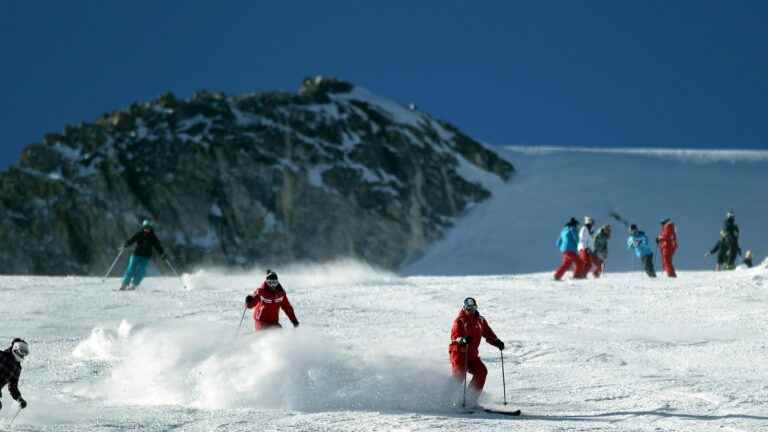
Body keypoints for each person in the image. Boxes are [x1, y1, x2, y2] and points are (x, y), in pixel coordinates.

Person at [449, 298, 504, 408]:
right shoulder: (460, 320)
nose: (471, 311)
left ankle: (470, 399)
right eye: (469, 309)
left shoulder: (480, 320)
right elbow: (455, 337)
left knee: (481, 371)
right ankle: (447, 398)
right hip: (459, 353)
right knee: (459, 375)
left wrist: (496, 342)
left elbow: (488, 334)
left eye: (473, 308)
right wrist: (462, 340)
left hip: (472, 354)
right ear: (464, 308)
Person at [120, 220, 166, 290]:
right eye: (145, 227)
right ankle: (124, 284)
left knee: (142, 271)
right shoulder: (140, 233)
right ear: (143, 227)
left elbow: (158, 246)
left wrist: (162, 253)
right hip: (136, 254)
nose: (146, 229)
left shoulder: (152, 236)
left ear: (150, 227)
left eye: (148, 227)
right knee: (131, 268)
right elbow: (132, 240)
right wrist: (125, 245)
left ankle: (134, 284)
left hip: (145, 256)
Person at [0, 338, 29, 412]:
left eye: (25, 353)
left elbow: (13, 387)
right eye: (22, 352)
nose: (23, 355)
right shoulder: (1, 355)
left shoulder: (17, 369)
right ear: (15, 349)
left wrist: (20, 399)